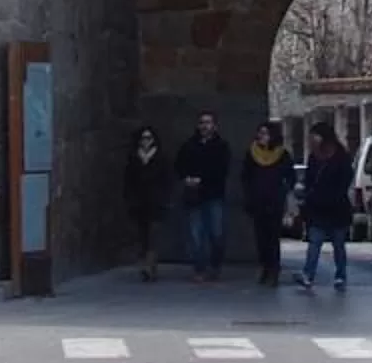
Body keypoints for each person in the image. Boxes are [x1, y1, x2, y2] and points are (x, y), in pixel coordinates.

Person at [296, 121, 356, 290]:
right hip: (317, 208)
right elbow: (309, 180)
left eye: (314, 136)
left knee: (338, 244)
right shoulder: (314, 157)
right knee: (314, 242)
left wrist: (334, 195)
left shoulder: (341, 157)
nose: (312, 140)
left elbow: (346, 179)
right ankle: (308, 274)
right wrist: (309, 197)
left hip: (337, 208)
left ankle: (340, 276)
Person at [176, 111, 231, 281]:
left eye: (208, 122)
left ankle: (215, 265)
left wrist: (203, 179)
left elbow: (222, 170)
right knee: (196, 234)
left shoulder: (221, 146)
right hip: (194, 196)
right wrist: (187, 178)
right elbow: (179, 165)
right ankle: (199, 269)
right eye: (202, 122)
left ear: (214, 126)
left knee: (216, 233)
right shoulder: (189, 146)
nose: (204, 126)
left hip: (214, 195)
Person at [241, 122, 297, 286]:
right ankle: (265, 267)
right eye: (260, 133)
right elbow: (245, 176)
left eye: (265, 133)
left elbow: (291, 176)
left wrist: (283, 189)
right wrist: (249, 193)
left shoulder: (282, 154)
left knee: (273, 237)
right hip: (257, 201)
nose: (261, 136)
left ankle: (274, 269)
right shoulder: (252, 153)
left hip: (275, 201)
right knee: (260, 238)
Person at [123, 124, 170, 279]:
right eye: (143, 138)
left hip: (156, 202)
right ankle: (146, 264)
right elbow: (128, 181)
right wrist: (130, 199)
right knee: (142, 236)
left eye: (149, 138)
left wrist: (165, 198)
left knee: (153, 235)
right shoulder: (133, 158)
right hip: (139, 203)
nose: (146, 141)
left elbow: (167, 180)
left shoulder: (161, 158)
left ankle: (149, 266)